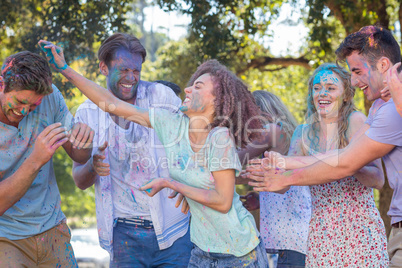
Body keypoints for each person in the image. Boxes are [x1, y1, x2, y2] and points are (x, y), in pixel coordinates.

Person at [41, 39, 269, 266]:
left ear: (217, 100)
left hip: (239, 251)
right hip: (202, 252)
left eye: (198, 87)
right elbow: (110, 102)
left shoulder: (219, 138)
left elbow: (222, 201)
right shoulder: (168, 122)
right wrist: (65, 69)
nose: (187, 89)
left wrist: (174, 185)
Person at [247, 26, 402, 267]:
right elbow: (336, 159)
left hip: (358, 231)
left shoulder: (363, 118)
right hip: (322, 234)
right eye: (317, 88)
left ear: (345, 96)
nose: (322, 93)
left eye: (330, 88)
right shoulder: (377, 110)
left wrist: (352, 165)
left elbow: (362, 171)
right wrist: (274, 168)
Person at [65, 33, 192, 267]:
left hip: (176, 230)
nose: (131, 78)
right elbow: (79, 180)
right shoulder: (87, 114)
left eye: (136, 71)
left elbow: (190, 148)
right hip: (125, 235)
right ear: (103, 67)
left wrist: (189, 185)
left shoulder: (161, 97)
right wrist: (93, 166)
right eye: (123, 70)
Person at [0, 51, 94, 267]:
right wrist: (36, 160)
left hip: (52, 229)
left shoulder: (51, 98)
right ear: (1, 85)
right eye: (20, 101)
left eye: (33, 106)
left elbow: (79, 154)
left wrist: (85, 141)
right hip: (6, 236)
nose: (24, 111)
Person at [238, 90, 311, 268]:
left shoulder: (273, 129)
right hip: (296, 238)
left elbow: (234, 160)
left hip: (293, 240)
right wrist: (262, 200)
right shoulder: (286, 133)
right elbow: (282, 182)